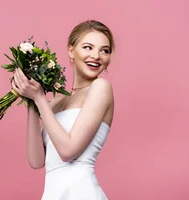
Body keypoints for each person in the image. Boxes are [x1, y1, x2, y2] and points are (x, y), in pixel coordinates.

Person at [12, 20, 115, 199]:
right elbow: (36, 161)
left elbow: (68, 151)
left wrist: (39, 98)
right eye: (88, 47)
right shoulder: (54, 103)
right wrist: (32, 102)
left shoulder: (100, 88)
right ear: (71, 51)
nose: (96, 56)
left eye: (104, 50)